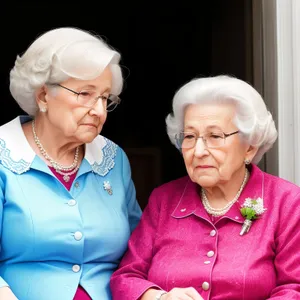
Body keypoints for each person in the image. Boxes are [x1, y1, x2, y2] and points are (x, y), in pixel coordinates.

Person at [110, 75, 300, 300]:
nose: (198, 150)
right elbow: (126, 277)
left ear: (249, 147)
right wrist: (161, 298)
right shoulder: (164, 200)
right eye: (190, 136)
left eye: (214, 136)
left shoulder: (286, 202)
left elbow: (294, 288)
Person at [0, 27, 142, 300]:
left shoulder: (113, 159)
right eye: (85, 94)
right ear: (43, 96)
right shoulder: (5, 155)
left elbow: (139, 253)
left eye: (104, 98)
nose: (99, 111)